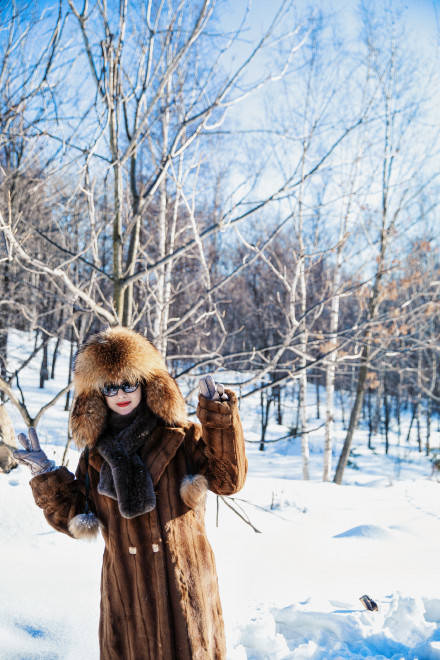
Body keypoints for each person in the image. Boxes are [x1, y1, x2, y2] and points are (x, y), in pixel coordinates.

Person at [14, 326, 247, 660]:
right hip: (127, 599)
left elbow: (229, 480)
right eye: (110, 386)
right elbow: (75, 518)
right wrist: (45, 475)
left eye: (129, 382)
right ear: (97, 395)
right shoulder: (94, 455)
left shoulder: (182, 437)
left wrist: (220, 419)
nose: (120, 392)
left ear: (146, 383)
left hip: (185, 594)